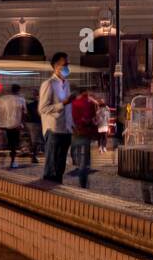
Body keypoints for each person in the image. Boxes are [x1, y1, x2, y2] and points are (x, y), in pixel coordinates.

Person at [39, 52, 75, 183]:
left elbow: (68, 109)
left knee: (60, 169)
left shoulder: (67, 84)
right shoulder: (48, 84)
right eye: (64, 65)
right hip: (53, 130)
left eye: (68, 64)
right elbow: (43, 108)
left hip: (65, 130)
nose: (67, 67)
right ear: (55, 66)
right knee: (51, 170)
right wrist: (63, 103)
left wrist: (72, 125)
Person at [69, 89, 99, 188]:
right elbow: (94, 117)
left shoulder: (74, 103)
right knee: (85, 154)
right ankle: (83, 177)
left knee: (76, 149)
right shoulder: (92, 102)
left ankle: (77, 164)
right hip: (86, 131)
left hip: (76, 130)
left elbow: (70, 117)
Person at [0, 83, 26, 169]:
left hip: (5, 125)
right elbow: (24, 113)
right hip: (16, 125)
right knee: (13, 144)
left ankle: (3, 158)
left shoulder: (3, 99)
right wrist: (22, 124)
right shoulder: (21, 100)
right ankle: (12, 160)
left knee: (5, 143)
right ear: (18, 90)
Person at [23, 93, 43, 164]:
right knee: (35, 141)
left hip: (29, 123)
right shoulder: (41, 105)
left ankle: (32, 154)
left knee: (33, 140)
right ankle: (34, 156)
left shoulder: (30, 105)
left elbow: (26, 113)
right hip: (36, 123)